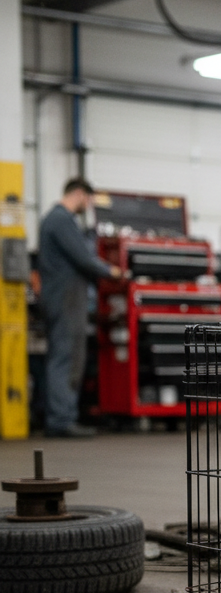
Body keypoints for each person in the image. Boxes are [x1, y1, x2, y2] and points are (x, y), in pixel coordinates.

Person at [38, 178, 120, 437]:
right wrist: (112, 271)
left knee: (67, 356)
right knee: (65, 357)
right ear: (79, 194)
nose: (88, 205)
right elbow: (84, 258)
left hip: (64, 297)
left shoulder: (57, 219)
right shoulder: (61, 220)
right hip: (65, 298)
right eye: (89, 200)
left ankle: (62, 416)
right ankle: (61, 420)